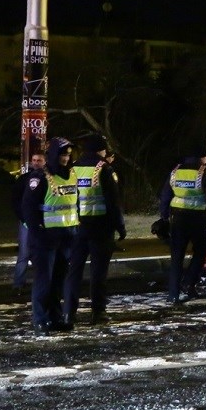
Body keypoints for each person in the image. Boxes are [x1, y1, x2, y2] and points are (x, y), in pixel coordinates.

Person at [66, 134, 127, 325]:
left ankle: (69, 312)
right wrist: (120, 227)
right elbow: (113, 202)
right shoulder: (104, 169)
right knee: (98, 272)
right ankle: (98, 312)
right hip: (100, 228)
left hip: (76, 227)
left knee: (74, 271)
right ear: (100, 150)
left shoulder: (72, 169)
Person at [21, 137, 78, 335]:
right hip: (45, 238)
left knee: (58, 281)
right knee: (43, 281)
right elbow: (28, 209)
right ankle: (40, 320)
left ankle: (55, 317)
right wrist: (38, 232)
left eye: (68, 155)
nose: (66, 158)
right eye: (63, 154)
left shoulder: (72, 174)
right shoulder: (40, 177)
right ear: (53, 155)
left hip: (66, 236)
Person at [159, 146, 206, 304]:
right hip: (198, 219)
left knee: (176, 256)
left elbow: (166, 194)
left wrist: (164, 215)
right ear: (202, 157)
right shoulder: (204, 172)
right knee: (201, 252)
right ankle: (189, 283)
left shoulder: (175, 172)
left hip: (178, 219)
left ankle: (173, 294)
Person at [10, 150, 46, 294]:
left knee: (42, 254)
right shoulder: (24, 179)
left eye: (39, 160)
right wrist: (23, 218)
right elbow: (16, 200)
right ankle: (18, 284)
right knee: (24, 254)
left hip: (43, 222)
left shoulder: (48, 178)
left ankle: (42, 284)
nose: (36, 163)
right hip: (26, 222)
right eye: (34, 160)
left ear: (45, 162)